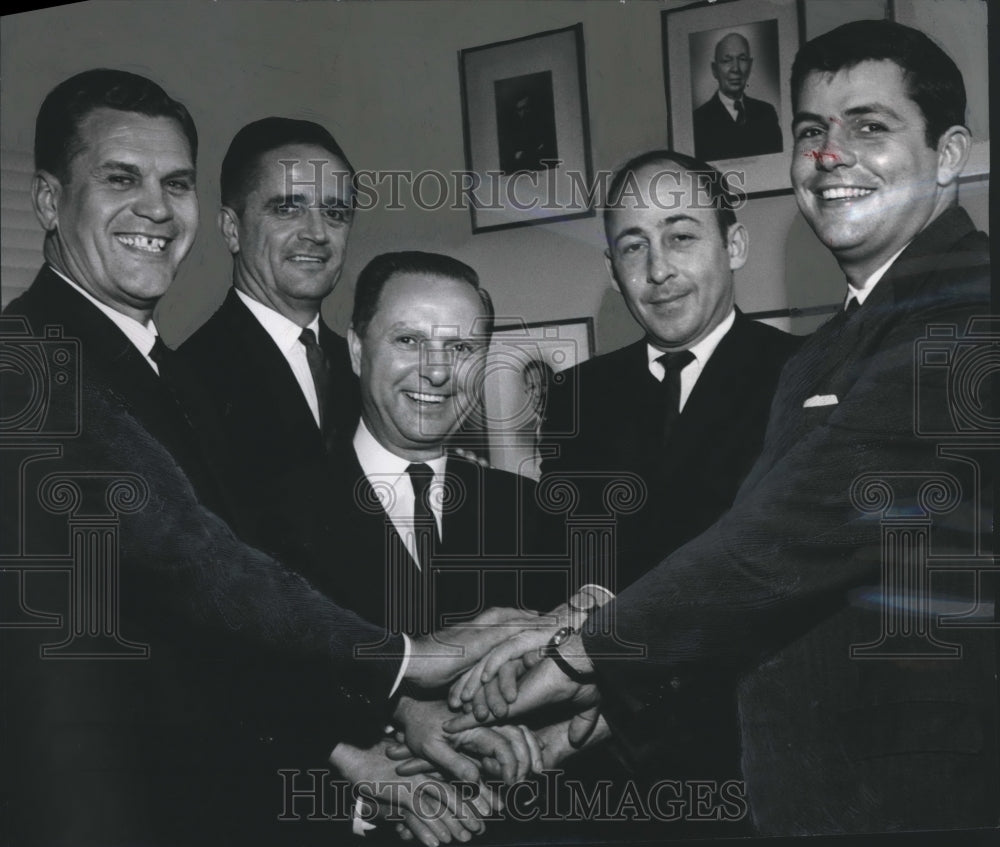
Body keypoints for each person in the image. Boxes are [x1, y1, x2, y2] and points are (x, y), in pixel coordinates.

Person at [451, 20, 997, 836]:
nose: (830, 155)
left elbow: (775, 542)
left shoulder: (965, 315)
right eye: (811, 131)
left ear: (950, 154)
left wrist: (578, 655)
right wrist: (598, 708)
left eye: (870, 127)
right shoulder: (834, 348)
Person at [0, 69, 538, 847]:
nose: (156, 208)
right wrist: (403, 659)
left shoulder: (160, 366)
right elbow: (193, 560)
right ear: (50, 201)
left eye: (175, 182)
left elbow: (217, 623)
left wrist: (357, 741)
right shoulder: (28, 361)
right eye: (122, 179)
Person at [176, 117, 360, 554]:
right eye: (287, 208)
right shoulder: (185, 381)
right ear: (231, 229)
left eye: (335, 213)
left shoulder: (366, 367)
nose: (316, 233)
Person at [693, 32, 782, 161]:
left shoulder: (767, 112)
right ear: (714, 70)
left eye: (742, 59)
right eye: (726, 60)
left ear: (750, 66)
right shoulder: (698, 121)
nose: (736, 68)